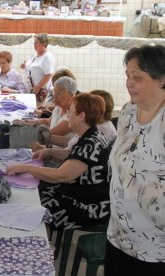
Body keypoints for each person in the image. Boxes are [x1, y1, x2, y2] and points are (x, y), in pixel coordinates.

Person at [7, 93, 111, 230]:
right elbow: (73, 155)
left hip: (87, 207)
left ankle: (34, 242)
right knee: (34, 190)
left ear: (81, 116)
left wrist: (27, 168)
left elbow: (61, 175)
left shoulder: (90, 143)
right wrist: (48, 152)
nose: (67, 114)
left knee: (29, 203)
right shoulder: (91, 134)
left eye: (71, 111)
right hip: (79, 194)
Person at [105, 44, 165, 275]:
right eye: (128, 76)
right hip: (118, 235)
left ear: (161, 80)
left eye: (137, 77)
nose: (129, 82)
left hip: (154, 247)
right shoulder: (129, 112)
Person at [21, 33, 55, 104]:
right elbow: (32, 67)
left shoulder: (47, 57)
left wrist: (37, 88)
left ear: (43, 44)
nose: (34, 44)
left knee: (39, 112)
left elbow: (48, 74)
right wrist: (25, 66)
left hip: (40, 92)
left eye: (37, 42)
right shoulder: (36, 55)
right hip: (32, 91)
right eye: (34, 42)